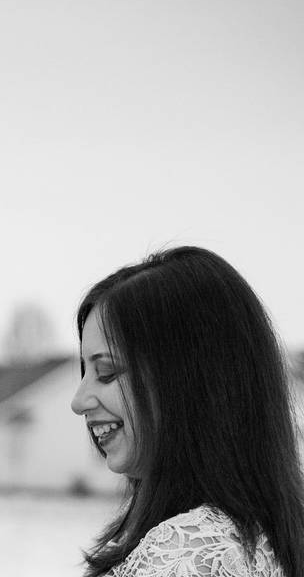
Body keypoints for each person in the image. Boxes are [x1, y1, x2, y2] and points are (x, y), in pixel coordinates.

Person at [71, 246, 304, 577]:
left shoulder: (187, 553)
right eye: (85, 372)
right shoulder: (272, 535)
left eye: (107, 372)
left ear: (186, 382)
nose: (79, 401)